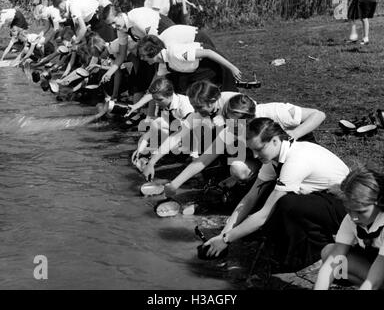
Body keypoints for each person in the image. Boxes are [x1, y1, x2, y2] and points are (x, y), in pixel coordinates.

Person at [201, 117, 349, 271]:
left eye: (259, 149)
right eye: (252, 150)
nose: (255, 155)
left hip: (344, 207)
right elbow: (250, 197)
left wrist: (226, 240)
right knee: (267, 194)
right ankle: (290, 243)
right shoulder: (275, 158)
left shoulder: (295, 161)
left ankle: (314, 251)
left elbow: (264, 214)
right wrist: (224, 233)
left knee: (286, 203)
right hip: (320, 199)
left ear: (275, 141)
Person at [163, 83, 326, 195]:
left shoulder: (273, 112)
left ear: (249, 118)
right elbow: (203, 160)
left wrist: (294, 134)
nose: (233, 130)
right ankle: (261, 183)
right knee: (237, 168)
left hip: (300, 149)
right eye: (229, 124)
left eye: (236, 125)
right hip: (270, 160)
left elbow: (318, 115)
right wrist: (175, 184)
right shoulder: (230, 130)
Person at [314, 166, 384, 290]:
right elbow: (334, 259)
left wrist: (371, 284)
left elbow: (375, 278)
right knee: (329, 252)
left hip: (380, 267)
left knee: (373, 282)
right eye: (348, 210)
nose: (354, 218)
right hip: (374, 267)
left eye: (361, 212)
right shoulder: (351, 219)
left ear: (379, 202)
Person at [137, 34, 240, 94]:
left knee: (220, 92)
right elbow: (154, 88)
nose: (142, 59)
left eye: (143, 56)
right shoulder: (163, 64)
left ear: (152, 52)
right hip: (195, 70)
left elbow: (208, 53)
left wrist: (232, 67)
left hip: (207, 64)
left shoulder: (174, 53)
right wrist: (137, 106)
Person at [132, 77, 194, 172]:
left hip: (195, 136)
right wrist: (140, 149)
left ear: (170, 95)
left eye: (159, 99)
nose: (156, 102)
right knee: (156, 124)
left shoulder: (185, 105)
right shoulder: (165, 105)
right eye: (155, 99)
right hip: (179, 133)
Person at [101, 6, 174, 85]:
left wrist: (159, 72)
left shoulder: (137, 20)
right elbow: (122, 55)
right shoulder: (121, 29)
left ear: (120, 15)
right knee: (142, 79)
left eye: (114, 22)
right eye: (110, 25)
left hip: (167, 37)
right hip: (153, 46)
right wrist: (109, 73)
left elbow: (157, 45)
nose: (113, 27)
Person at [52, 0, 116, 43]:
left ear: (62, 2)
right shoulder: (71, 4)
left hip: (101, 14)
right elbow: (78, 26)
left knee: (108, 41)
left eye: (58, 7)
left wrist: (76, 41)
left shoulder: (73, 7)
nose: (59, 9)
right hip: (97, 16)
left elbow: (83, 29)